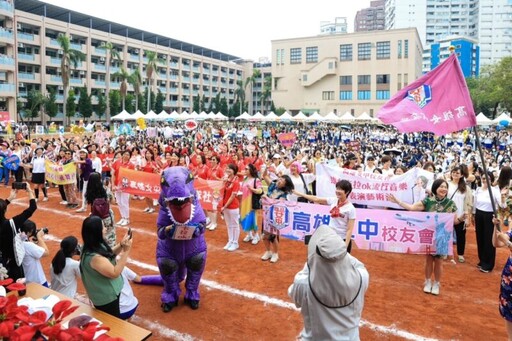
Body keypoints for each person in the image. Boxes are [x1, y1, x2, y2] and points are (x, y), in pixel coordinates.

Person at [288, 225, 369, 340]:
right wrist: (338, 252)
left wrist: (312, 261)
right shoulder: (362, 277)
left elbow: (294, 296)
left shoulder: (303, 284)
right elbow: (355, 264)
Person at [387, 179, 457, 295]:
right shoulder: (428, 201)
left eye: (445, 187)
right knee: (429, 259)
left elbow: (454, 221)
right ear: (435, 188)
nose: (443, 189)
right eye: (441, 187)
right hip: (428, 233)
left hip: (442, 235)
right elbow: (411, 207)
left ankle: (437, 283)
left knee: (439, 261)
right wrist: (398, 202)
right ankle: (428, 281)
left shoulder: (451, 204)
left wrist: (462, 218)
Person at [80, 215, 132, 318]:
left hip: (105, 294)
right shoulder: (95, 258)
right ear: (96, 232)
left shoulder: (90, 245)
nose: (105, 229)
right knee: (113, 322)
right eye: (103, 227)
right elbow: (114, 273)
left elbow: (108, 255)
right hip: (106, 299)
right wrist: (126, 251)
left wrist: (121, 245)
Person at [293, 180, 356, 253]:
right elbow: (316, 199)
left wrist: (345, 245)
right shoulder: (333, 200)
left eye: (341, 189)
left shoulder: (351, 208)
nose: (337, 191)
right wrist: (300, 194)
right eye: (337, 188)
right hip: (331, 237)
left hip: (342, 239)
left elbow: (349, 229)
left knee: (341, 263)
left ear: (347, 192)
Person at [0, 185, 37, 281]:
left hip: (2, 261)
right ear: (5, 210)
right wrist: (29, 191)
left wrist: (9, 199)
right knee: (17, 288)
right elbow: (33, 207)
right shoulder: (11, 223)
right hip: (13, 265)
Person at [473, 171, 507, 273]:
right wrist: (473, 214)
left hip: (490, 216)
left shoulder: (494, 191)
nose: (485, 180)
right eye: (483, 178)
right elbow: (475, 203)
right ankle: (482, 259)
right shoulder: (478, 190)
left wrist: (503, 196)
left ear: (491, 179)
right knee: (480, 238)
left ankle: (488, 264)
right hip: (479, 215)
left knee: (489, 239)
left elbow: (503, 205)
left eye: (487, 178)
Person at [260, 168, 294, 263]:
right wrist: (266, 168)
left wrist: (266, 198)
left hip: (276, 217)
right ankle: (268, 251)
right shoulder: (272, 185)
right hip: (266, 214)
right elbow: (265, 176)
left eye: (282, 180)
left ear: (285, 184)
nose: (279, 180)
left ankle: (275, 253)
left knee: (273, 236)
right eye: (280, 178)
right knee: (264, 235)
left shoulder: (285, 194)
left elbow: (278, 204)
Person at [447, 166, 473, 263]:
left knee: (461, 235)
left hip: (461, 215)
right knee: (447, 234)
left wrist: (467, 217)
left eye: (457, 173)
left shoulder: (465, 188)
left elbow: (469, 203)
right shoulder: (447, 185)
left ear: (462, 175)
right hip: (448, 215)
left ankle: (460, 254)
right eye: (453, 172)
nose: (455, 174)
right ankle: (446, 252)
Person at [492, 217, 512, 339]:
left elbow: (506, 242)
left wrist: (508, 243)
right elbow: (496, 243)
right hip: (509, 276)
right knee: (508, 310)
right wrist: (495, 228)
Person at [85, 172, 116, 248]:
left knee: (97, 236)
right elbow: (113, 202)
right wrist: (109, 189)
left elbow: (89, 203)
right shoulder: (105, 190)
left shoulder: (89, 192)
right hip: (107, 216)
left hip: (95, 217)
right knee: (110, 236)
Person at [20, 220, 49, 286]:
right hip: (38, 281)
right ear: (29, 232)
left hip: (27, 280)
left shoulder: (18, 241)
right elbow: (46, 252)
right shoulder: (28, 245)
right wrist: (39, 237)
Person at [240, 163, 263, 244]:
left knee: (253, 219)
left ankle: (256, 235)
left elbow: (260, 190)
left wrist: (252, 189)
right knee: (245, 218)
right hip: (244, 202)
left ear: (251, 170)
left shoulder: (256, 180)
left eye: (247, 169)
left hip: (251, 203)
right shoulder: (245, 179)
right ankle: (249, 234)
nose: (245, 170)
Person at [220, 163, 241, 252]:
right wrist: (223, 181)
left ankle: (235, 242)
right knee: (229, 225)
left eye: (230, 169)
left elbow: (232, 197)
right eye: (227, 168)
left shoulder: (236, 182)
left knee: (235, 224)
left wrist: (225, 206)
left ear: (234, 171)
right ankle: (230, 241)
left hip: (233, 206)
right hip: (225, 205)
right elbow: (221, 190)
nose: (228, 170)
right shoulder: (227, 180)